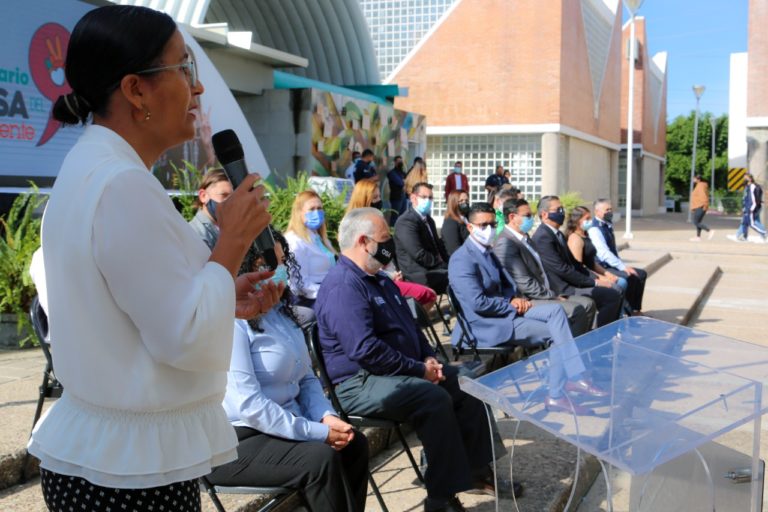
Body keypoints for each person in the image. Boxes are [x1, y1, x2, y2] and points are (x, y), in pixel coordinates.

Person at [27, 6, 281, 510]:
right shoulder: (121, 184)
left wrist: (222, 294)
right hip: (124, 476)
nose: (199, 88)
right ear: (135, 89)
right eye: (185, 69)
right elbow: (181, 337)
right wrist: (229, 241)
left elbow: (128, 310)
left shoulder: (95, 167)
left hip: (112, 461)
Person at [315, 207, 506, 512]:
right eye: (384, 239)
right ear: (364, 242)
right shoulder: (344, 286)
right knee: (432, 397)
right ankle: (440, 498)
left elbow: (411, 329)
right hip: (359, 382)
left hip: (396, 371)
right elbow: (365, 350)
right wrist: (419, 370)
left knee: (466, 382)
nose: (388, 245)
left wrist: (430, 359)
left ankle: (476, 469)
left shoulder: (380, 279)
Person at [208, 233, 369, 512]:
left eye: (284, 262)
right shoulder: (232, 320)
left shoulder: (281, 312)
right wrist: (315, 432)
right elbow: (249, 405)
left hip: (283, 427)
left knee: (354, 443)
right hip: (237, 441)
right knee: (320, 459)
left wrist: (326, 416)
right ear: (249, 268)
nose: (279, 270)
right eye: (271, 263)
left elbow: (306, 377)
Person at [449, 203, 604, 414]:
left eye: (492, 224)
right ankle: (559, 391)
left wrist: (513, 297)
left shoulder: (487, 250)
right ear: (470, 227)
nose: (489, 229)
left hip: (507, 310)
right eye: (483, 225)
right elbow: (478, 303)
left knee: (557, 311)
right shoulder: (462, 259)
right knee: (555, 333)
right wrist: (509, 303)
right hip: (486, 323)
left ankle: (574, 376)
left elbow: (507, 284)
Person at [494, 199, 596, 336]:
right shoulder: (506, 242)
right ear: (512, 217)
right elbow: (525, 283)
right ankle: (567, 353)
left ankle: (580, 348)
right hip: (528, 300)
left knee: (588, 304)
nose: (531, 219)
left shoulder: (525, 238)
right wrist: (553, 296)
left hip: (547, 292)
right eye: (527, 216)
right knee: (576, 310)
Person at [532, 196, 623, 327]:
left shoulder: (557, 234)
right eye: (558, 209)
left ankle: (607, 333)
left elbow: (574, 263)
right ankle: (601, 337)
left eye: (562, 208)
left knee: (615, 289)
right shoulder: (543, 237)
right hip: (562, 288)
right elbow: (562, 269)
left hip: (572, 282)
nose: (562, 212)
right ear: (544, 214)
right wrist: (595, 282)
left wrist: (597, 278)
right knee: (611, 295)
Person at [348, 179, 438, 309]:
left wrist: (395, 271)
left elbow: (386, 253)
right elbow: (363, 263)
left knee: (428, 295)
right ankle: (408, 326)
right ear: (364, 200)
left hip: (391, 275)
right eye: (374, 198)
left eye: (379, 196)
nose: (379, 201)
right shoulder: (356, 226)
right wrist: (390, 275)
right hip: (375, 280)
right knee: (428, 295)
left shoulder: (377, 220)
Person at [588, 199, 647, 315]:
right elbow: (604, 253)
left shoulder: (607, 225)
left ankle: (635, 310)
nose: (610, 212)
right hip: (601, 266)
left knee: (641, 274)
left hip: (611, 264)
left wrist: (622, 265)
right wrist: (622, 267)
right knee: (629, 276)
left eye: (611, 209)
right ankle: (627, 311)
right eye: (607, 210)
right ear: (597, 212)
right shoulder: (594, 228)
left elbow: (613, 251)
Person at [284, 190, 338, 310]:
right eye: (311, 209)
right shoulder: (295, 241)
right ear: (299, 213)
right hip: (312, 300)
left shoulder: (320, 237)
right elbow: (299, 283)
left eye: (319, 208)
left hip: (329, 293)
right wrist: (330, 293)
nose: (317, 213)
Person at [394, 183, 450, 294]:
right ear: (413, 198)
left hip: (434, 268)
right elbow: (419, 254)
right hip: (418, 274)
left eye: (430, 197)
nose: (428, 201)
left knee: (463, 272)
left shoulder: (429, 220)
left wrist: (450, 263)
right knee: (459, 278)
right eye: (424, 197)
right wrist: (440, 263)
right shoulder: (406, 222)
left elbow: (438, 245)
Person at [565, 206, 628, 297]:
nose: (590, 221)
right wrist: (601, 278)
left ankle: (621, 310)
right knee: (617, 286)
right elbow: (579, 267)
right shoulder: (575, 239)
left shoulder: (585, 235)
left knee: (621, 281)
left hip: (592, 273)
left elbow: (591, 262)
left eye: (590, 218)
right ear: (577, 220)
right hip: (585, 278)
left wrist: (607, 273)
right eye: (587, 218)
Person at [188, 168, 233, 250]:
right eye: (224, 195)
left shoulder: (230, 228)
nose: (230, 202)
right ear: (203, 196)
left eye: (233, 197)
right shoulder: (194, 233)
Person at [731, 173, 767, 242]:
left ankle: (764, 233)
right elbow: (746, 199)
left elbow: (753, 199)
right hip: (748, 208)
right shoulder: (747, 187)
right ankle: (742, 236)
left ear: (750, 179)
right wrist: (744, 208)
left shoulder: (752, 186)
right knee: (746, 222)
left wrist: (751, 209)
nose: (744, 179)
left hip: (752, 208)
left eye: (745, 178)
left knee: (751, 223)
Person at [441, 190, 470, 256]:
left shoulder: (467, 218)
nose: (465, 203)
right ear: (453, 203)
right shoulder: (450, 222)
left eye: (466, 200)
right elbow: (454, 249)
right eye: (461, 201)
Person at [690, 175, 714, 241]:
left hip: (700, 206)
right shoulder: (700, 185)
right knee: (698, 222)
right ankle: (698, 237)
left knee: (696, 222)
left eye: (694, 179)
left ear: (698, 179)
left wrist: (704, 206)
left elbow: (703, 196)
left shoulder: (700, 186)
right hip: (698, 206)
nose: (693, 180)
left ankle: (709, 231)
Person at [387, 155, 408, 223]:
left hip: (403, 197)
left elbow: (408, 182)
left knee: (403, 216)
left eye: (401, 161)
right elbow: (400, 183)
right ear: (395, 162)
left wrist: (405, 182)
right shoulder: (392, 173)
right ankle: (392, 232)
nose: (400, 162)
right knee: (395, 216)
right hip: (396, 197)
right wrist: (404, 182)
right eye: (399, 161)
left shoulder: (403, 172)